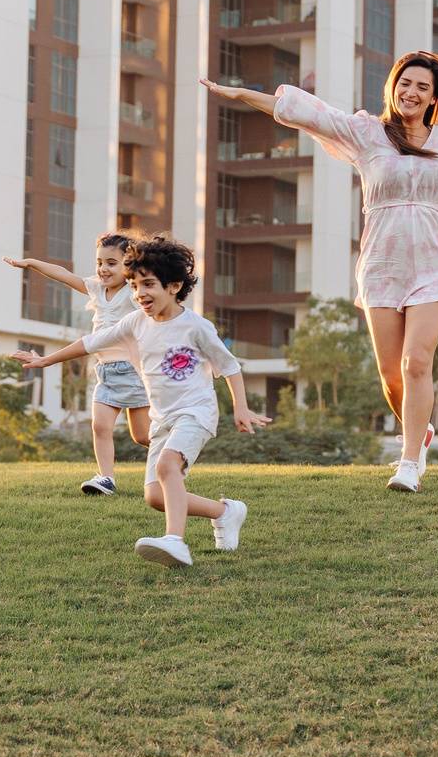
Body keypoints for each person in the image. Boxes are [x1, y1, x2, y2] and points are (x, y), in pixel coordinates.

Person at [204, 53, 438, 492]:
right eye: (406, 83)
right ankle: (419, 431)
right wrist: (238, 93)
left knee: (415, 362)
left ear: (433, 98)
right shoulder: (366, 132)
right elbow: (305, 111)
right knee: (390, 375)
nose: (412, 92)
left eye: (422, 87)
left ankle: (409, 463)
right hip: (382, 263)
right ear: (393, 87)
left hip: (435, 261)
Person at [18, 233, 268, 566]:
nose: (139, 294)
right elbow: (91, 342)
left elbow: (230, 365)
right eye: (135, 286)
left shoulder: (196, 327)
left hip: (195, 412)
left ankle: (175, 541)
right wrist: (46, 360)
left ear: (174, 286)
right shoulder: (135, 322)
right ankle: (224, 512)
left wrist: (241, 407)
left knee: (167, 467)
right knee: (155, 496)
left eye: (148, 285)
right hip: (162, 419)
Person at [4, 237, 152, 495]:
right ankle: (106, 479)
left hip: (134, 371)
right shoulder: (96, 289)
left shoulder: (133, 292)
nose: (103, 269)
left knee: (142, 436)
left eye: (112, 263)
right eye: (99, 262)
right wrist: (31, 263)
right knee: (100, 426)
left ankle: (176, 454)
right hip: (105, 371)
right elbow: (64, 275)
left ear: (129, 265)